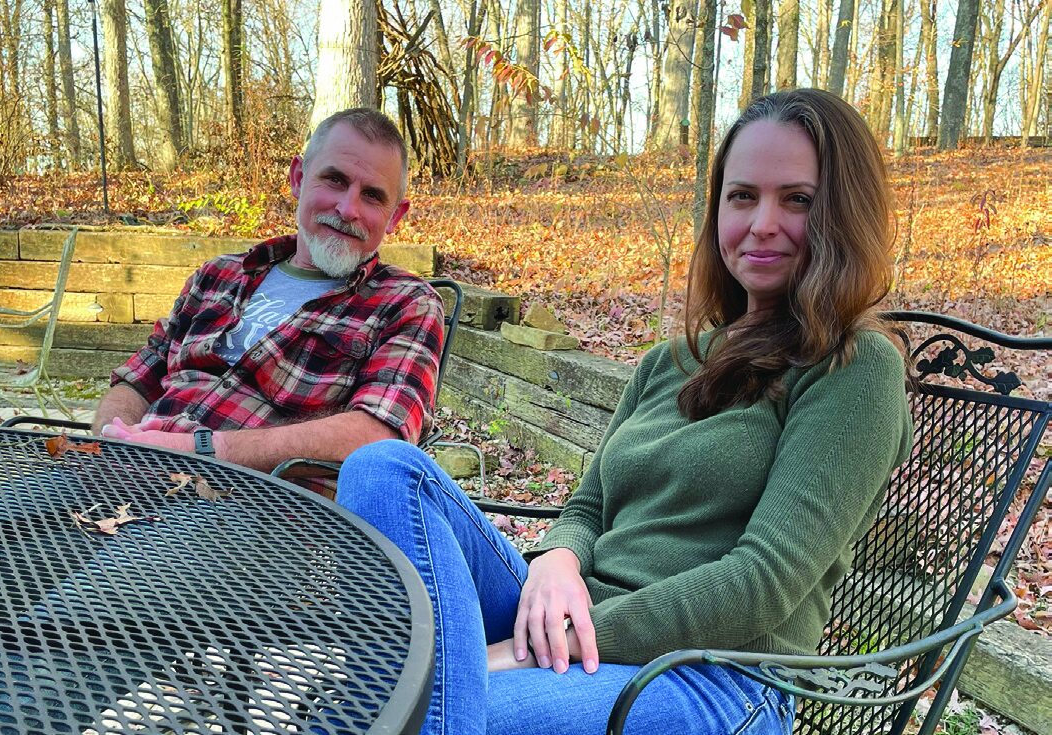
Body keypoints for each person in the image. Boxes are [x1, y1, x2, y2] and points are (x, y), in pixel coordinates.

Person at [334, 88, 914, 734]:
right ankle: (416, 693)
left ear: (844, 212)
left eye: (797, 199)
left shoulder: (854, 365)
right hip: (578, 620)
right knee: (384, 469)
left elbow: (763, 582)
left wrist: (530, 649)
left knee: (408, 711)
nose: (761, 223)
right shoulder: (669, 361)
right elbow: (587, 507)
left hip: (711, 675)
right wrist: (556, 559)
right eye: (742, 195)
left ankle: (409, 697)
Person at [92, 108, 444, 476]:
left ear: (395, 216)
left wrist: (200, 449)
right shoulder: (218, 275)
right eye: (334, 180)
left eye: (372, 196)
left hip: (259, 498)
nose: (347, 209)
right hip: (131, 474)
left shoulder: (406, 303)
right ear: (298, 178)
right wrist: (114, 439)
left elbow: (379, 435)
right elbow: (138, 377)